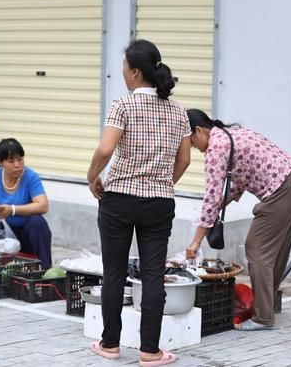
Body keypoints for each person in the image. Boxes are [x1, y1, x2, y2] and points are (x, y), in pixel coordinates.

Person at [87, 39, 191, 366]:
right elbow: (185, 160)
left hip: (118, 199)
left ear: (134, 72)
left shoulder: (123, 105)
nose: (122, 72)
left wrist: (92, 177)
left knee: (115, 272)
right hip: (159, 203)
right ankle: (150, 351)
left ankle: (110, 344)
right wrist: (162, 183)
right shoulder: (178, 111)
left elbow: (105, 150)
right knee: (153, 275)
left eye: (123, 67)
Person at [185, 109, 291, 331]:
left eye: (192, 142)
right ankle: (267, 305)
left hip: (281, 190)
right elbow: (235, 185)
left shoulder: (216, 147)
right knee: (275, 251)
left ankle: (262, 318)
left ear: (199, 130)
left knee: (257, 248)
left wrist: (195, 242)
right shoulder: (230, 135)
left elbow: (212, 197)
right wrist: (212, 210)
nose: (194, 148)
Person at [0, 138, 52, 268]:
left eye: (20, 159)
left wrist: (12, 210)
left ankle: (47, 271)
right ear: (1, 163)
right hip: (1, 234)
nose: (17, 165)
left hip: (24, 236)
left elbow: (43, 205)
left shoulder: (31, 177)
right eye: (11, 161)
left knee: (37, 222)